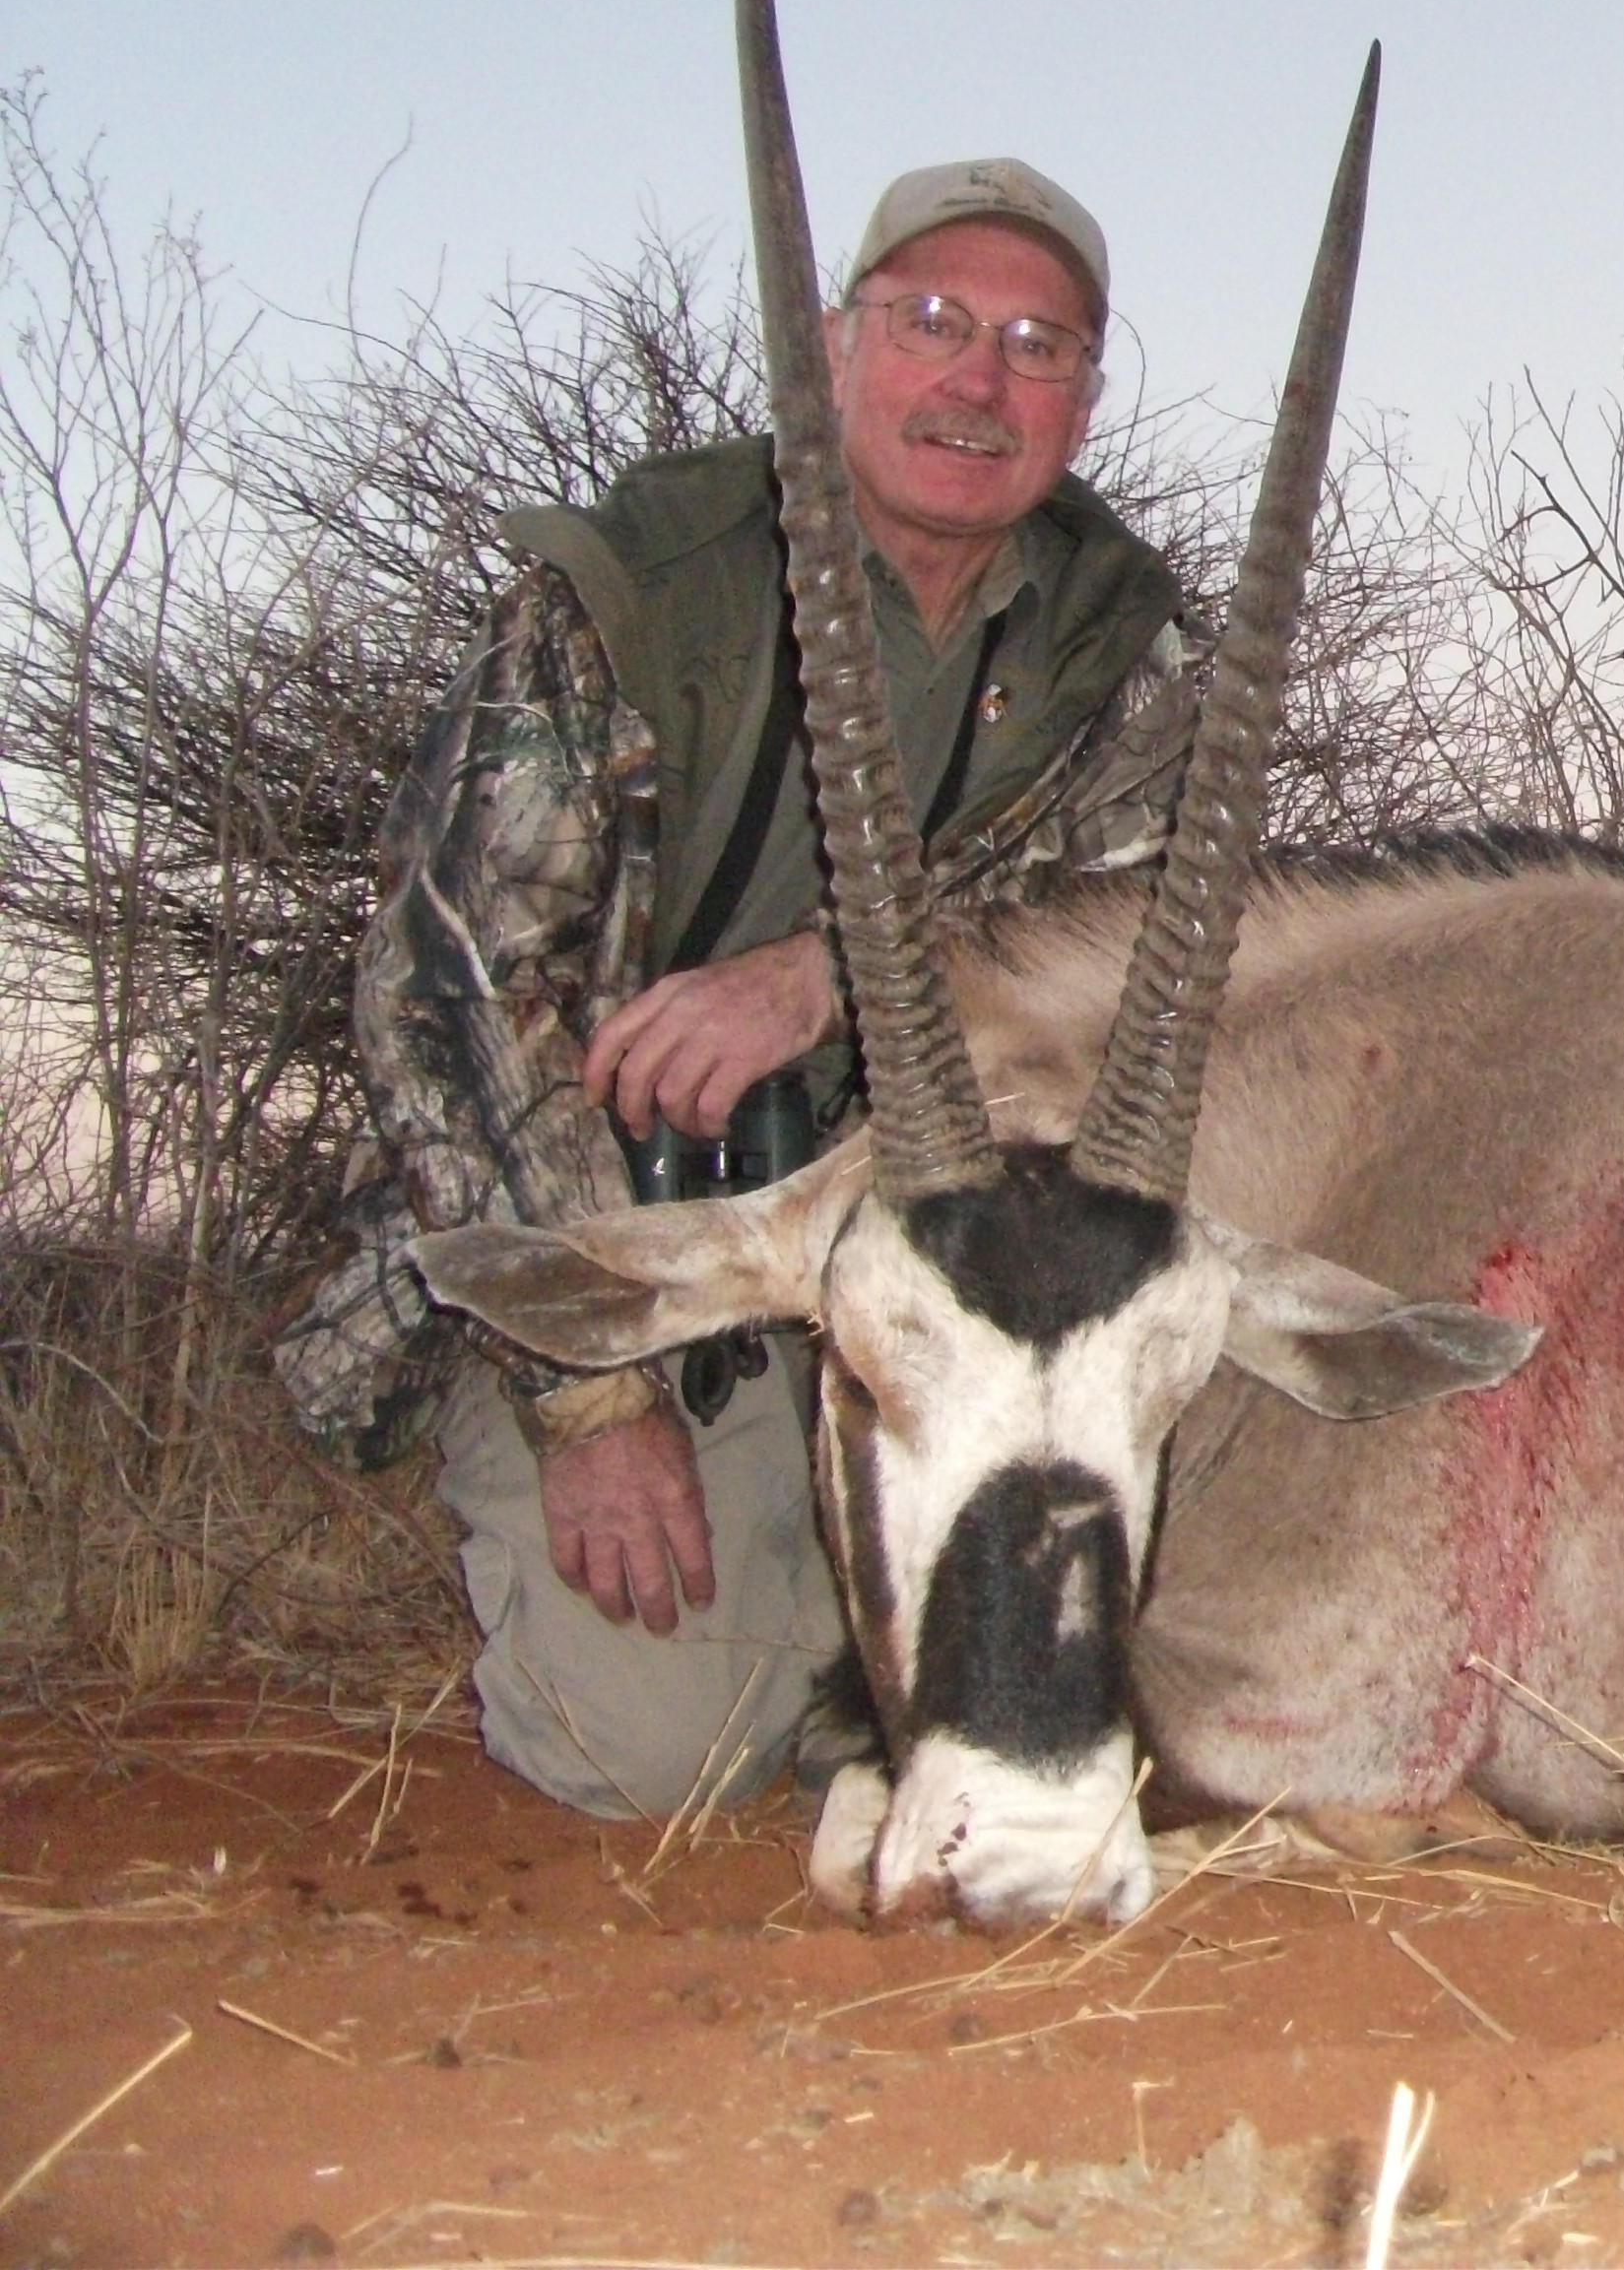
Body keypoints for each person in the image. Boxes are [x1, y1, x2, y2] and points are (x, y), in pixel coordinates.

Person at [277, 159, 1196, 1819]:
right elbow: (445, 997)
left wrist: (834, 971)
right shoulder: (638, 586)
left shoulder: (1117, 645)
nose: (979, 382)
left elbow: (1115, 957)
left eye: (1036, 344)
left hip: (924, 1250)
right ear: (839, 347)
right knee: (665, 1759)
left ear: (1083, 393)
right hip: (620, 1245)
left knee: (1027, 1689)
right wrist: (596, 1405)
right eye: (932, 323)